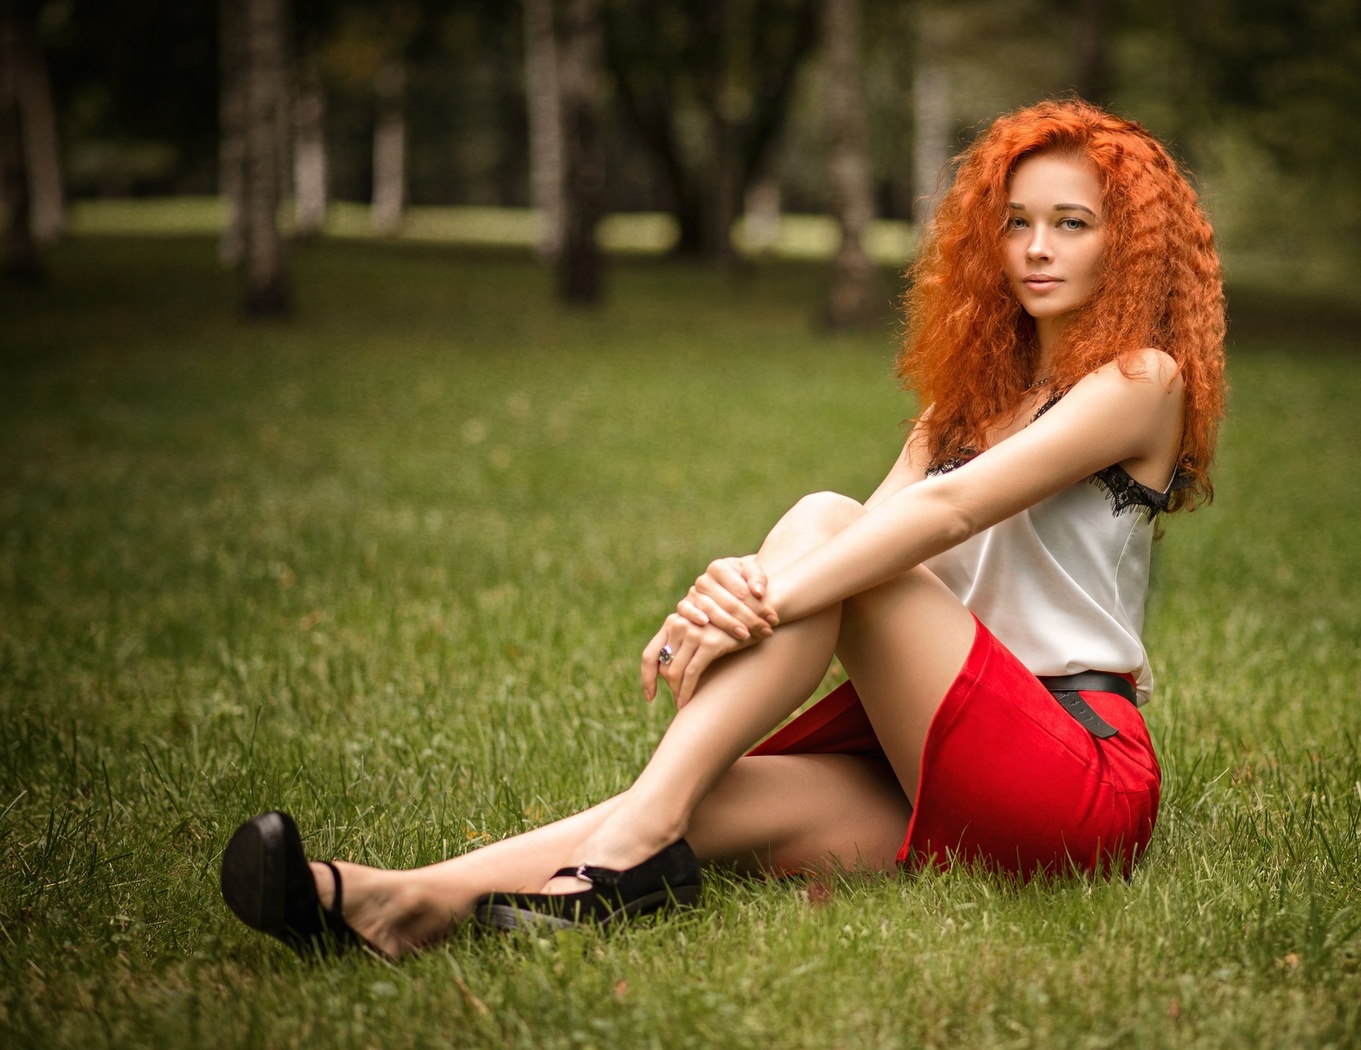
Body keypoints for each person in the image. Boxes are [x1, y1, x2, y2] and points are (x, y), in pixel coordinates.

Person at [218, 98, 1226, 960]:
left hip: (1073, 776)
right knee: (722, 789)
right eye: (1016, 223)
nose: (1037, 249)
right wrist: (743, 589)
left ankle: (631, 855)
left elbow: (936, 514)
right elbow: (869, 539)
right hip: (930, 746)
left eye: (1071, 223)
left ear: (1126, 242)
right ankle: (394, 901)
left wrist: (766, 595)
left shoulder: (1142, 383)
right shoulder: (964, 404)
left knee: (823, 525)